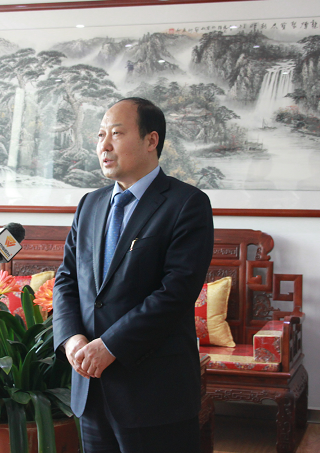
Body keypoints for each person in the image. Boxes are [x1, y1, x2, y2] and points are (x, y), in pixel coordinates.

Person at [53, 97, 214, 453]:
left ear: (151, 140)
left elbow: (176, 292)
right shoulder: (90, 204)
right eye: (100, 135)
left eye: (116, 133)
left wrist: (110, 345)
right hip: (91, 388)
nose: (104, 146)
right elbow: (66, 278)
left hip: (154, 395)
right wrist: (71, 339)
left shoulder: (186, 204)